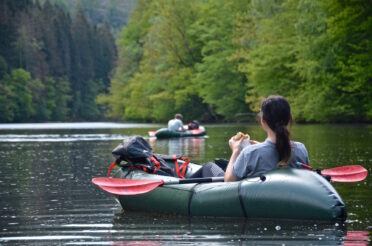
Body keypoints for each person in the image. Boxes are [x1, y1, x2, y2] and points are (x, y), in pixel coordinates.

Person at [224, 95, 310, 181]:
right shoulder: (301, 149)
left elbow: (228, 181)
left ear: (263, 121)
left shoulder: (250, 153)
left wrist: (235, 151)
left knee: (212, 167)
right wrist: (261, 146)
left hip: (259, 194)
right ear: (289, 119)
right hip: (292, 193)